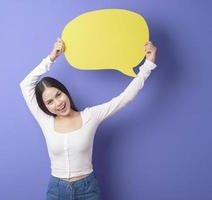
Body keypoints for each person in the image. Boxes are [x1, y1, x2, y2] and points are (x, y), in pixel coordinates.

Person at [20, 37, 157, 200]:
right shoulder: (45, 121)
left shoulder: (90, 116)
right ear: (45, 107)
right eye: (50, 102)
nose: (58, 103)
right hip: (57, 191)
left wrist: (148, 65)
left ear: (65, 92)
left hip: (87, 190)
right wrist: (51, 57)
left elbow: (125, 98)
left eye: (58, 95)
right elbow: (25, 84)